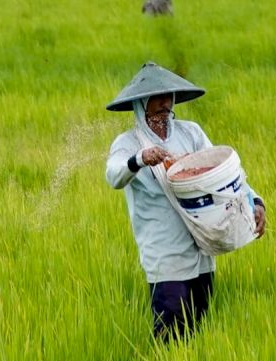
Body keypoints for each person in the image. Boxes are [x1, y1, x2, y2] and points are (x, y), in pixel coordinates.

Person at [105, 62, 266, 340]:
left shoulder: (190, 133)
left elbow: (222, 174)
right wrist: (139, 160)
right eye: (157, 97)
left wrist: (254, 201)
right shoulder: (129, 143)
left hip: (202, 247)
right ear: (141, 103)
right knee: (170, 334)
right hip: (164, 256)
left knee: (199, 330)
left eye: (169, 96)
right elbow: (114, 175)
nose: (165, 103)